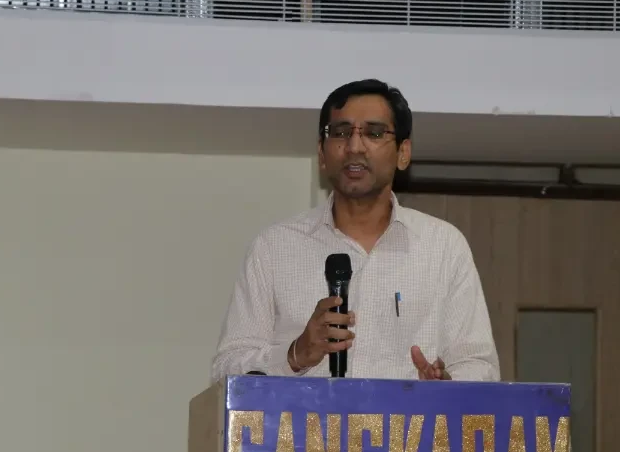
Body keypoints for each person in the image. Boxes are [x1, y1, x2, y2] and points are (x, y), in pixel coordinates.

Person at [212, 78, 499, 385]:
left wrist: (447, 387)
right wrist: (295, 354)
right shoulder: (274, 248)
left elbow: (480, 367)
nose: (354, 146)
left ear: (403, 153)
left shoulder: (443, 247)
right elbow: (224, 372)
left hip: (409, 419)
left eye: (374, 133)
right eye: (340, 132)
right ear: (322, 154)